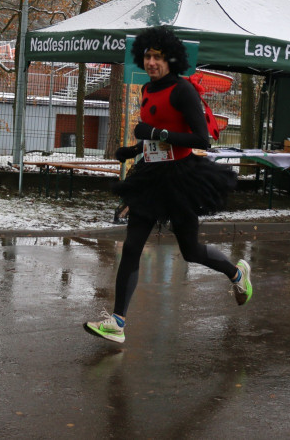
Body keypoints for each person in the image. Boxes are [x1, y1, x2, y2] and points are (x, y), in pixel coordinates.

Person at [83, 26, 250, 344]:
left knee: (191, 251)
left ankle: (236, 273)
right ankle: (117, 323)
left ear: (171, 60)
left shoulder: (182, 91)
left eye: (158, 57)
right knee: (132, 247)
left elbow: (201, 139)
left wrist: (155, 134)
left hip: (181, 179)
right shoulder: (147, 90)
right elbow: (153, 134)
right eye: (147, 56)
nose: (151, 62)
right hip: (151, 176)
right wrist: (133, 150)